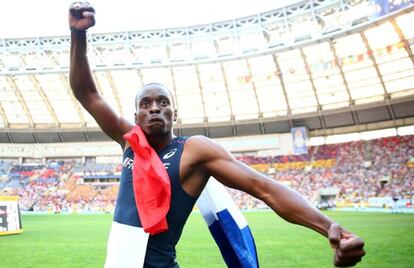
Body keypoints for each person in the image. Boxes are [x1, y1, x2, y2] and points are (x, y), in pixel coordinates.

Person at [68, 2, 365, 267]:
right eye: (145, 104)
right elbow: (87, 93)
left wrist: (330, 227)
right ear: (136, 116)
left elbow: (263, 187)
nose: (155, 109)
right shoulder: (129, 140)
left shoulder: (194, 151)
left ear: (175, 114)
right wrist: (78, 36)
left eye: (163, 103)